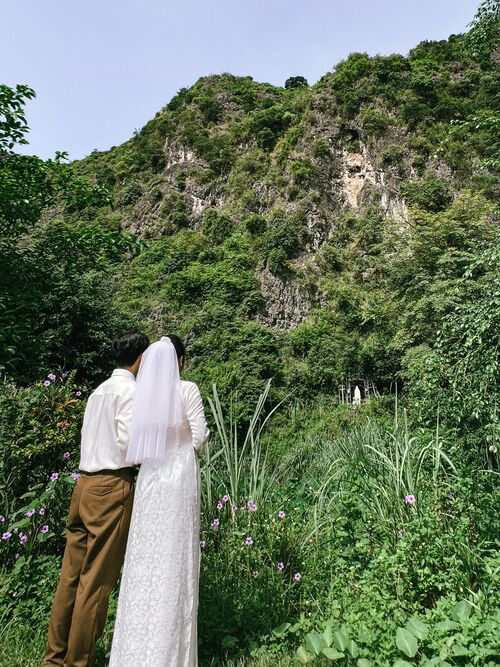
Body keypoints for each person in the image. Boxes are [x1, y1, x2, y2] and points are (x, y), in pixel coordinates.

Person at [43, 331, 150, 667]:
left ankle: (54, 659)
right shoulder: (132, 392)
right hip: (111, 487)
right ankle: (78, 662)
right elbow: (130, 446)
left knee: (70, 578)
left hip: (84, 485)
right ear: (140, 359)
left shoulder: (98, 391)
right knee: (96, 583)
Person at [109, 335, 209, 667]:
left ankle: (135, 651)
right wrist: (189, 449)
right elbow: (200, 436)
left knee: (145, 558)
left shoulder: (145, 396)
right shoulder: (187, 389)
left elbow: (135, 443)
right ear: (180, 361)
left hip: (150, 479)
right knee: (175, 558)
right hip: (178, 478)